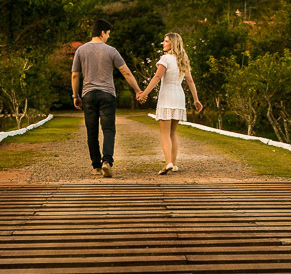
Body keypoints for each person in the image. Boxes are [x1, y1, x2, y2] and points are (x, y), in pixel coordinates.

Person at [71, 19, 144, 178]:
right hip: (107, 95)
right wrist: (138, 90)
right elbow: (126, 72)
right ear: (103, 32)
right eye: (108, 34)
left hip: (88, 95)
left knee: (92, 132)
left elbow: (75, 74)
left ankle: (96, 166)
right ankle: (107, 162)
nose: (108, 37)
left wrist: (75, 96)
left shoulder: (81, 50)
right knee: (108, 129)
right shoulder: (111, 51)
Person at [136, 32, 202, 175]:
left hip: (166, 97)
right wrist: (196, 99)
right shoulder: (182, 59)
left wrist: (144, 93)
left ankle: (168, 163)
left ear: (172, 43)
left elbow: (157, 77)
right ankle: (174, 163)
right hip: (178, 97)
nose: (163, 43)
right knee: (173, 132)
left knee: (165, 133)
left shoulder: (165, 58)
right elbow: (190, 81)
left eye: (166, 41)